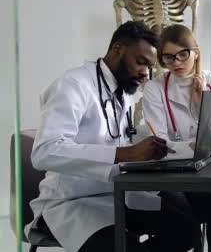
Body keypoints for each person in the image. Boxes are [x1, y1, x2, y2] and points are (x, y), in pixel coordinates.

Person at [26, 21, 199, 252]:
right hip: (71, 202)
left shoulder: (123, 92)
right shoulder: (74, 84)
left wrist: (172, 147)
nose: (145, 73)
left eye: (149, 67)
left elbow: (121, 139)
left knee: (186, 230)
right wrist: (125, 153)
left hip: (115, 195)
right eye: (141, 62)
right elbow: (43, 152)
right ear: (118, 48)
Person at [142, 24, 211, 252]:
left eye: (182, 54)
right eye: (168, 57)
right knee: (205, 207)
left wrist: (203, 106)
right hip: (174, 176)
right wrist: (193, 147)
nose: (176, 62)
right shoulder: (155, 89)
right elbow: (159, 142)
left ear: (195, 51)